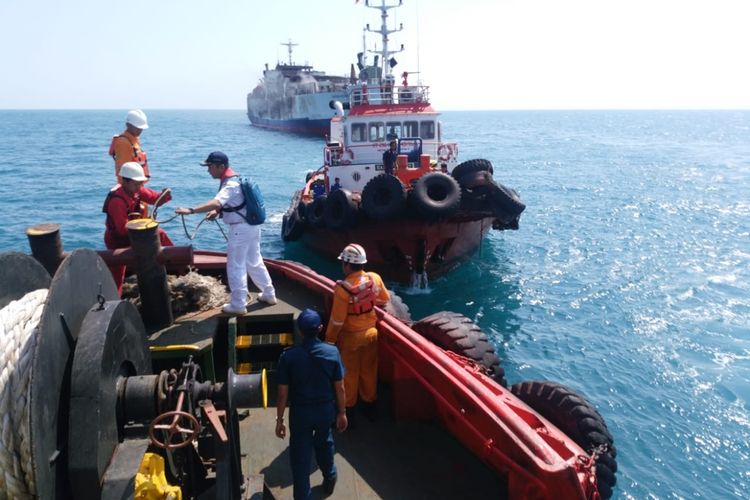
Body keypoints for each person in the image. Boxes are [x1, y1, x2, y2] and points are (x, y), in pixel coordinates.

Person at [174, 151, 276, 315]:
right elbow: (234, 203)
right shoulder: (237, 179)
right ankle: (269, 294)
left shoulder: (230, 185)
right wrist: (218, 212)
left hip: (239, 229)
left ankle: (238, 304)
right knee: (254, 261)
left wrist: (191, 210)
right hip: (251, 227)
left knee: (236, 266)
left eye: (210, 166)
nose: (208, 170)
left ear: (221, 166)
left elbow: (217, 201)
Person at [276, 309, 348, 500]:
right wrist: (342, 412)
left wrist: (280, 419)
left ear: (299, 331)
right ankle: (330, 477)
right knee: (324, 442)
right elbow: (340, 388)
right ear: (321, 329)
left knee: (300, 455)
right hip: (325, 411)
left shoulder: (288, 357)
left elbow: (282, 394)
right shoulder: (332, 352)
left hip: (300, 413)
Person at [325, 243, 389, 422]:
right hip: (371, 334)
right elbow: (385, 299)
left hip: (351, 338)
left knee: (349, 374)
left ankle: (349, 412)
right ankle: (370, 406)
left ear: (346, 264)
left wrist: (329, 341)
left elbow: (337, 320)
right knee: (369, 370)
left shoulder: (343, 289)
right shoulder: (374, 278)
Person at [103, 162, 173, 294]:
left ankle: (175, 263)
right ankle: (115, 298)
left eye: (140, 183)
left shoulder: (136, 190)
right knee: (118, 273)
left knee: (160, 234)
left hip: (135, 235)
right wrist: (143, 230)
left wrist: (165, 195)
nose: (139, 186)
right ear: (125, 182)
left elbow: (155, 199)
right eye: (136, 184)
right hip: (117, 241)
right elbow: (122, 230)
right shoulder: (117, 201)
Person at [109, 109, 151, 184]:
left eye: (141, 128)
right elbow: (123, 172)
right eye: (137, 127)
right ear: (128, 125)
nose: (140, 130)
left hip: (136, 185)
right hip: (130, 188)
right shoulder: (123, 143)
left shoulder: (134, 140)